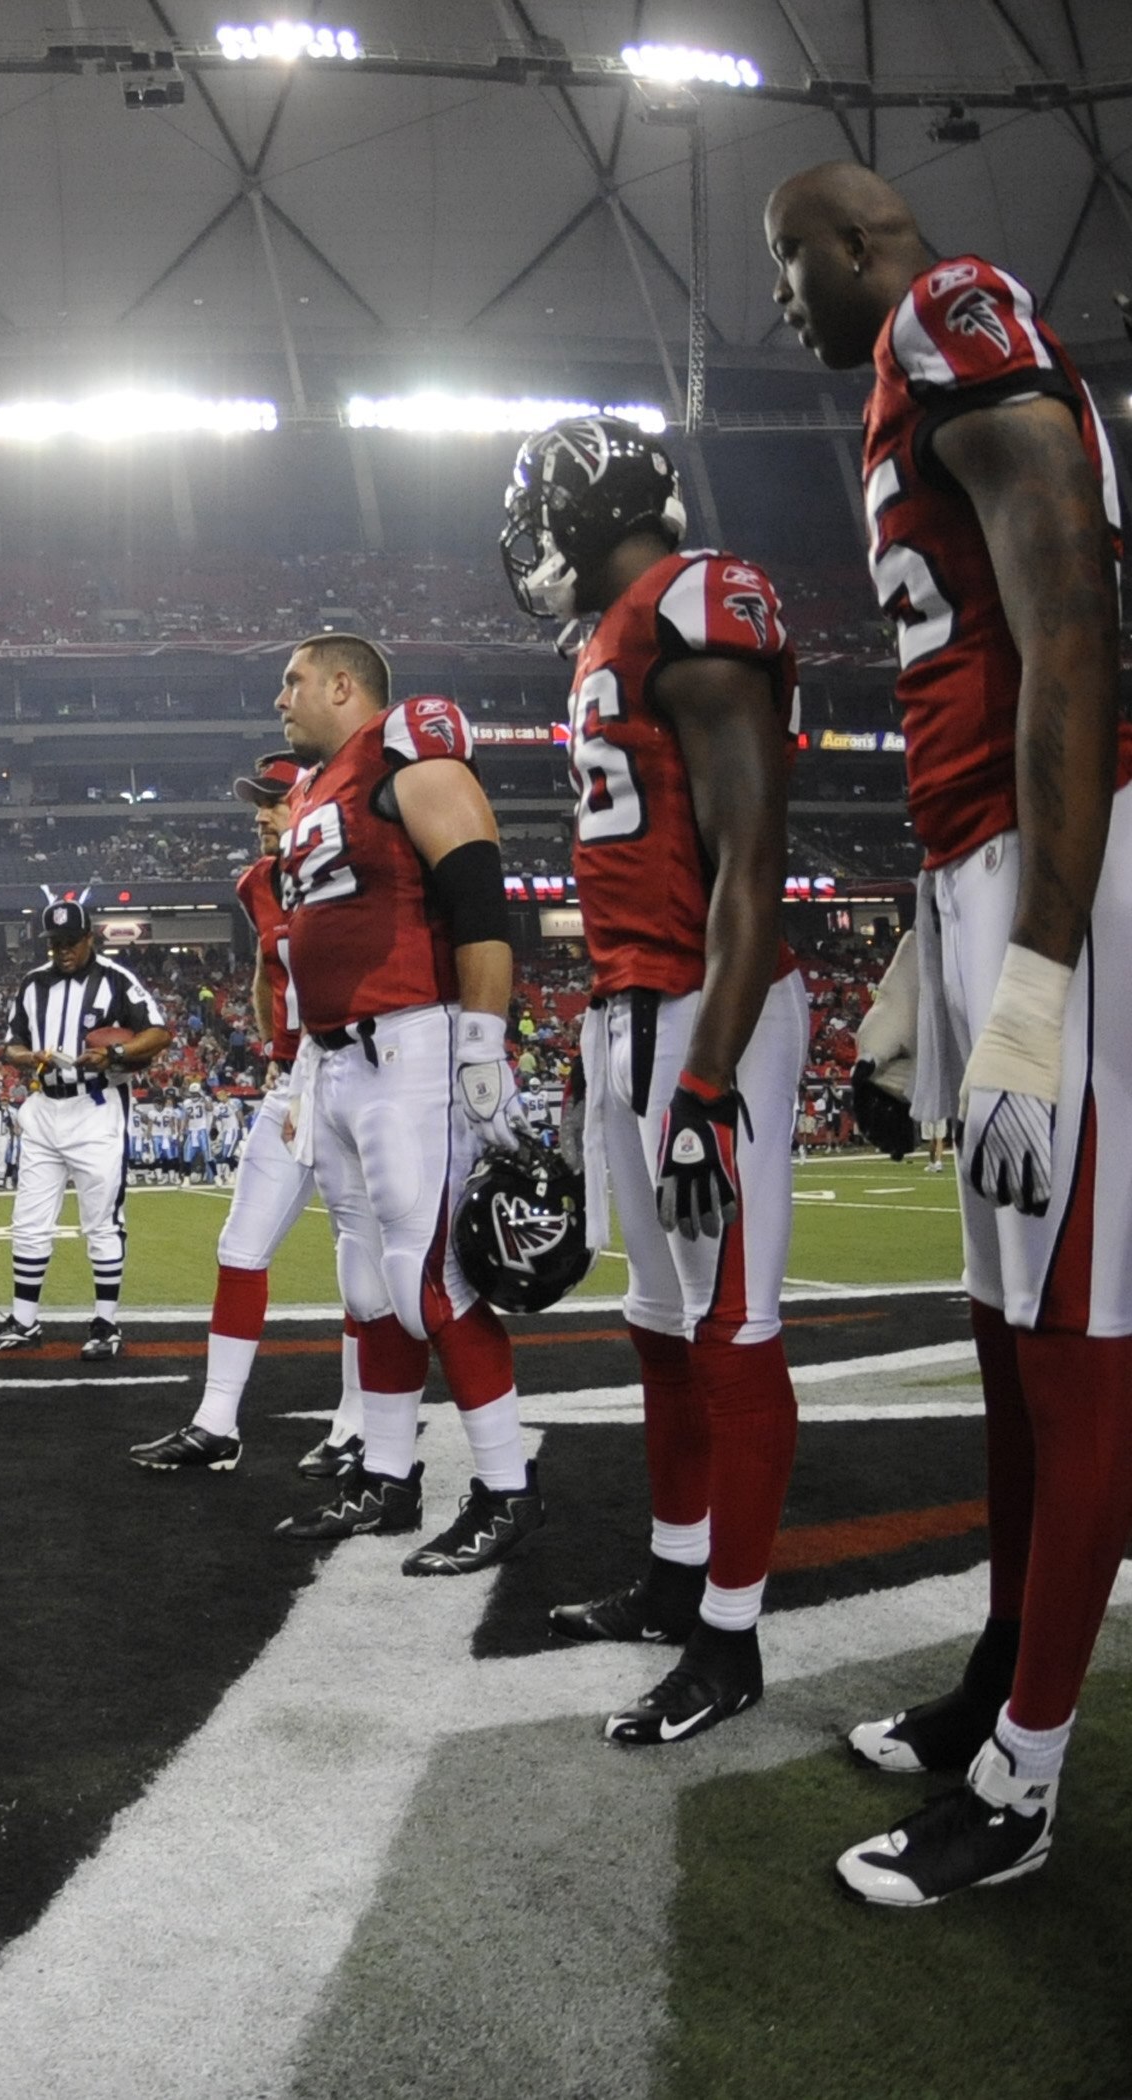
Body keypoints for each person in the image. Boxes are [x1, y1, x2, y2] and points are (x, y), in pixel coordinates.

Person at [767, 162, 1131, 1904]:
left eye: (788, 260)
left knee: (1080, 1337)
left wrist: (1042, 968)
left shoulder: (945, 310)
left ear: (857, 242)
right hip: (989, 872)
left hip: (1069, 879)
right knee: (1006, 1329)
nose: (782, 297)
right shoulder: (905, 385)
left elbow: (1071, 611)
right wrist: (939, 945)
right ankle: (1002, 1673)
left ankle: (1032, 1778)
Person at [499, 416, 809, 1746]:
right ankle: (677, 1578)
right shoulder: (611, 632)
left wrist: (708, 1078)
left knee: (732, 1326)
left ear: (581, 507)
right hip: (630, 1005)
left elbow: (752, 852)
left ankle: (730, 1640)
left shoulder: (693, 599)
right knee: (661, 1323)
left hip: (707, 1012)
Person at [266, 637, 547, 1574]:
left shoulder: (402, 743)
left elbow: (476, 887)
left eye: (296, 681)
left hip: (412, 1042)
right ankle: (385, 1477)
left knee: (434, 1280)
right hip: (343, 1057)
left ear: (345, 685)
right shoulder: (314, 788)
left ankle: (507, 1487)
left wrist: (481, 1039)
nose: (282, 699)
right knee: (370, 1289)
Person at [133, 751, 368, 1475]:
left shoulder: (356, 863)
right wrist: (276, 1047)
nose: (260, 815)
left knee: (362, 1262)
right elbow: (272, 973)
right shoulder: (257, 883)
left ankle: (358, 1425)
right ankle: (216, 1425)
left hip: (361, 1066)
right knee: (240, 1248)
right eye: (257, 803)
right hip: (296, 1074)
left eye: (274, 800)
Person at [0, 901, 167, 1359]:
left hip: (95, 1105)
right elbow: (11, 1045)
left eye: (69, 942)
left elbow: (158, 1033)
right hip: (44, 1106)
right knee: (29, 1223)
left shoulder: (117, 980)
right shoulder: (33, 983)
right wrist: (25, 1057)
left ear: (89, 937)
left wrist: (115, 1056)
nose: (61, 951)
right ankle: (24, 1321)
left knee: (101, 1222)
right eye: (54, 943)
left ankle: (105, 1324)